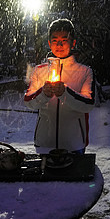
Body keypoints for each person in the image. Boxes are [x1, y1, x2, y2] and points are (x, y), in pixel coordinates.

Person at [24, 19, 95, 154]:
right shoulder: (39, 70)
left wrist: (65, 93)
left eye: (64, 40)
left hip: (74, 144)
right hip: (45, 142)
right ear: (49, 43)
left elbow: (88, 104)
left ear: (73, 42)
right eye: (55, 40)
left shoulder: (84, 72)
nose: (59, 44)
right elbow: (29, 102)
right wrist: (43, 94)